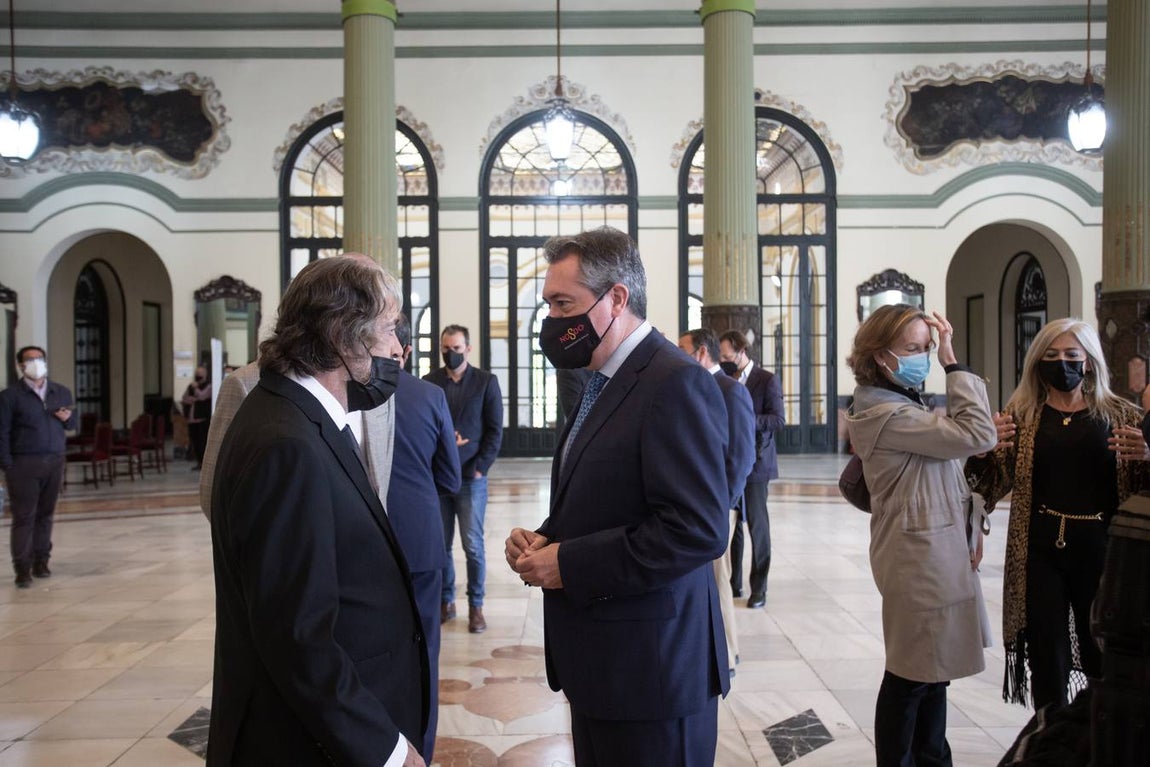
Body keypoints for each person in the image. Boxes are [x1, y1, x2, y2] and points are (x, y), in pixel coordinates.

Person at [505, 227, 730, 766]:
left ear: (617, 299)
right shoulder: (601, 380)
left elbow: (697, 529)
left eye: (565, 304)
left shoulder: (673, 381)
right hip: (607, 669)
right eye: (549, 305)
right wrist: (548, 539)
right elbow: (612, 497)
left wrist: (569, 563)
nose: (554, 321)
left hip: (653, 675)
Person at [207, 255, 428, 767]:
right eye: (390, 328)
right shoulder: (287, 445)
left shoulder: (296, 416)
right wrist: (387, 750)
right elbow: (298, 637)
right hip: (308, 744)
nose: (398, 348)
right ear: (339, 334)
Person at [967, 318, 1149, 710]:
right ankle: (1050, 735)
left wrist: (1149, 454)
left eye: (1071, 355)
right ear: (1037, 362)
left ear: (1088, 362)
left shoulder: (1122, 416)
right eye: (1051, 356)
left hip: (1102, 551)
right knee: (1047, 653)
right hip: (1040, 550)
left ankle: (1101, 735)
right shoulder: (1022, 416)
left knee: (1101, 647)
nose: (1061, 363)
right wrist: (982, 448)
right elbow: (991, 481)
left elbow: (1142, 484)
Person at [845, 304, 997, 767]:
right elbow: (977, 433)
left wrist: (970, 526)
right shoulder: (889, 415)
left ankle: (933, 758)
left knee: (933, 673)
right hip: (918, 560)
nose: (924, 357)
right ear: (879, 354)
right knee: (911, 676)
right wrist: (953, 361)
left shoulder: (906, 405)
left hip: (934, 550)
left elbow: (946, 465)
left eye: (928, 348)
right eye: (913, 349)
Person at [387, 312, 462, 763]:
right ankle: (421, 751)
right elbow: (450, 478)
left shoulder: (346, 395)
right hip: (419, 539)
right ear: (408, 352)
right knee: (424, 654)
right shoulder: (429, 395)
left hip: (361, 543)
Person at [679, 327, 756, 678]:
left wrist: (723, 505)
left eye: (682, 349)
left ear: (700, 353)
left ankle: (727, 654)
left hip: (717, 507)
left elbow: (741, 456)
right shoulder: (688, 388)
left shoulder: (731, 392)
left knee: (717, 577)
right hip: (689, 503)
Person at [424, 324, 503, 633]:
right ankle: (446, 601)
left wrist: (481, 467)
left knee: (472, 545)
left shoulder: (486, 382)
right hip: (439, 477)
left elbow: (495, 430)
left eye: (456, 349)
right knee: (441, 544)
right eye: (446, 349)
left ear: (468, 349)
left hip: (471, 476)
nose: (450, 354)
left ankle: (476, 606)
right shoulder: (430, 383)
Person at [718, 329, 784, 608]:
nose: (723, 360)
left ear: (741, 352)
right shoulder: (725, 379)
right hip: (731, 462)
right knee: (734, 527)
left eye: (727, 355)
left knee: (758, 526)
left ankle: (760, 588)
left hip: (758, 463)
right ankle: (735, 584)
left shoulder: (766, 380)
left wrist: (745, 418)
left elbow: (777, 420)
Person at [0, 346, 75, 588]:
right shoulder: (10, 396)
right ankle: (22, 566)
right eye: (30, 360)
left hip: (54, 460)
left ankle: (41, 560)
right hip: (23, 463)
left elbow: (74, 422)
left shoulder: (60, 392)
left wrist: (69, 419)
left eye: (39, 359)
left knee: (46, 515)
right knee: (24, 516)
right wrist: (7, 464)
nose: (35, 363)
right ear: (21, 366)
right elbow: (2, 432)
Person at [181, 366, 212, 470]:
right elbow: (185, 398)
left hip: (202, 419)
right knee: (194, 441)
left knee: (202, 441)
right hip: (191, 419)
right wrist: (192, 398)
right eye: (197, 373)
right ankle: (198, 462)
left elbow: (203, 396)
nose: (198, 375)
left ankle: (204, 463)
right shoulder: (191, 386)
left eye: (200, 373)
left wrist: (196, 390)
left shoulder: (208, 386)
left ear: (205, 374)